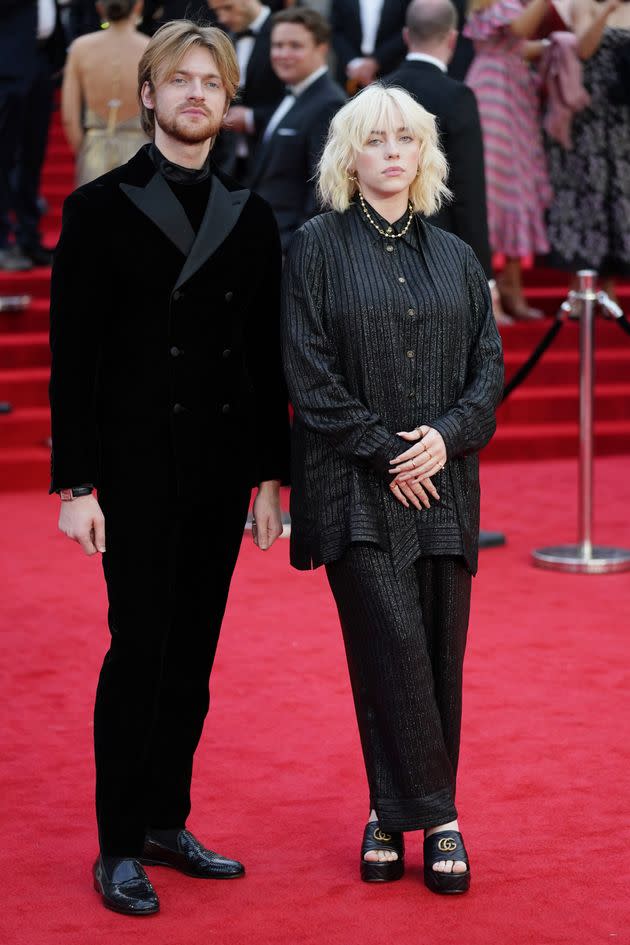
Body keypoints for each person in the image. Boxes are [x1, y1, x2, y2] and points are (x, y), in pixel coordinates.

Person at [49, 20, 290, 916]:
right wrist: (77, 485)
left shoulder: (252, 215)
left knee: (193, 657)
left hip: (223, 469)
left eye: (212, 83)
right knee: (139, 651)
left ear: (228, 106)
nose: (197, 93)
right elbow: (72, 360)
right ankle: (117, 845)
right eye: (180, 79)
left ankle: (164, 819)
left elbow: (262, 359)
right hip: (138, 468)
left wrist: (273, 475)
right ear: (148, 95)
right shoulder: (98, 208)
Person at [281, 84, 503, 895]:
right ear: (349, 153)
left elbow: (489, 368)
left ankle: (385, 812)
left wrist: (443, 439)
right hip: (353, 486)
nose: (392, 152)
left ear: (425, 154)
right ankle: (441, 819)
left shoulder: (457, 256)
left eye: (406, 138)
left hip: (445, 483)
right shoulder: (313, 245)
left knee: (438, 653)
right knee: (393, 645)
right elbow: (309, 371)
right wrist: (390, 454)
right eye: (375, 139)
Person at [386, 0, 511, 324]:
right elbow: (468, 190)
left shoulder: (378, 92)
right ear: (453, 38)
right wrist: (484, 274)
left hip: (376, 246)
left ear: (405, 35)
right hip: (439, 252)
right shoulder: (457, 96)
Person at [464, 0, 552, 319]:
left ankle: (513, 288)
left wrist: (550, 46)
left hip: (513, 89)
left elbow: (518, 42)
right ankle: (490, 297)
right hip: (493, 92)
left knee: (517, 185)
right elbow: (519, 28)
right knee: (496, 192)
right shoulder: (492, 2)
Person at [546, 0, 630, 294]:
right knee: (586, 200)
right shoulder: (585, 6)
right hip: (588, 118)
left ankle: (610, 290)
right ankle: (581, 289)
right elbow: (584, 50)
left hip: (622, 120)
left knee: (618, 201)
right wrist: (605, 12)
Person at [250, 7, 346, 252]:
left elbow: (323, 193)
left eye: (295, 46)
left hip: (289, 248)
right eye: (278, 45)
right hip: (267, 240)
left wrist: (296, 251)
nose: (283, 54)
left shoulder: (329, 104)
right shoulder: (290, 95)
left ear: (322, 48)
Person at [0, 0, 66, 271]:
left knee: (33, 157)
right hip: (7, 70)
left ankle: (28, 238)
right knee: (2, 160)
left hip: (42, 65)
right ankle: (2, 242)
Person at [61, 0, 150, 187]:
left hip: (95, 152)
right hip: (139, 150)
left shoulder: (80, 48)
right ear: (138, 6)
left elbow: (69, 117)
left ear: (100, 7)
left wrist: (85, 150)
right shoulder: (150, 48)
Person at [207, 0, 285, 178]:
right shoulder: (223, 38)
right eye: (217, 11)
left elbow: (297, 99)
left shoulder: (284, 34)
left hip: (270, 161)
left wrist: (251, 118)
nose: (223, 18)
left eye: (228, 7)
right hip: (226, 160)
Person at [331, 0, 410, 92]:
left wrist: (376, 61)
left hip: (391, 70)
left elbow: (406, 28)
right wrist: (354, 63)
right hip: (349, 74)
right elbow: (335, 30)